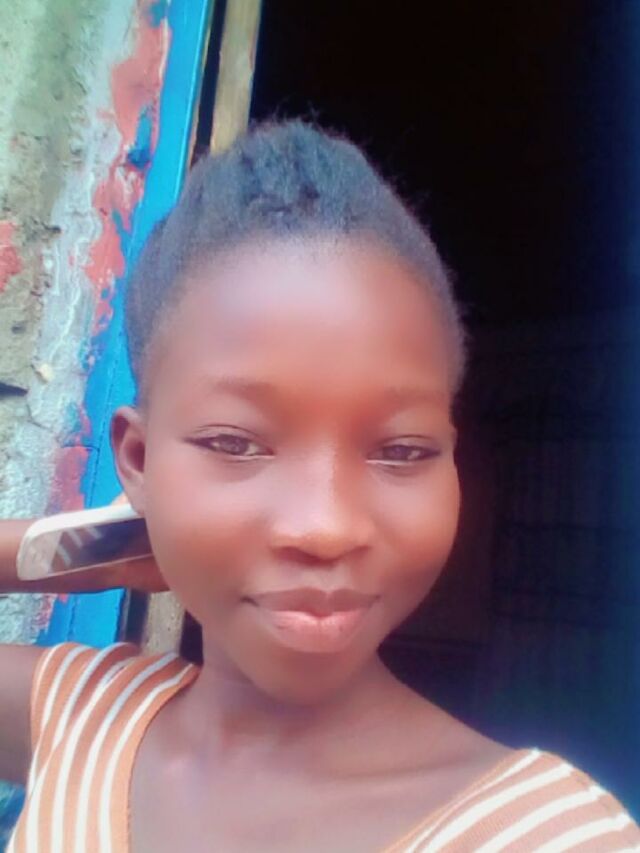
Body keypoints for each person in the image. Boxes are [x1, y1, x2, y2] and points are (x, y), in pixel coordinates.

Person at [1, 120, 638, 853]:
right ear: (138, 461)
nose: (325, 526)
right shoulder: (84, 716)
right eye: (235, 443)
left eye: (401, 451)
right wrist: (81, 549)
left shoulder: (546, 835)